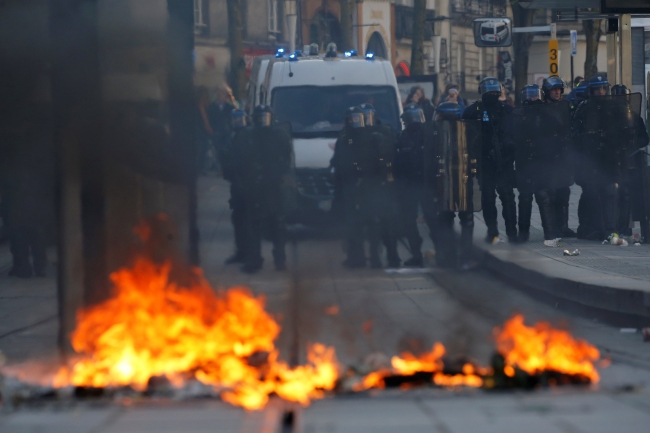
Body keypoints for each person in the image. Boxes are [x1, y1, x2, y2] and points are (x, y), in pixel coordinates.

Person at [331, 106, 400, 268]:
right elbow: (338, 162)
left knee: (374, 223)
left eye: (357, 119)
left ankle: (376, 257)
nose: (354, 122)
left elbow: (385, 160)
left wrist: (383, 180)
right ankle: (356, 258)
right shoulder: (344, 138)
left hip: (371, 185)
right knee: (353, 224)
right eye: (351, 119)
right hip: (351, 186)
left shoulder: (374, 137)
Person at [232, 105, 292, 273]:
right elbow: (240, 159)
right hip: (254, 185)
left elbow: (286, 157)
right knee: (254, 224)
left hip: (273, 185)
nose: (262, 121)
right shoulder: (248, 136)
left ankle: (280, 259)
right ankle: (254, 259)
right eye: (259, 117)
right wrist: (245, 178)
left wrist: (279, 173)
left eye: (265, 117)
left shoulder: (279, 135)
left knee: (277, 224)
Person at [515, 83, 571, 247]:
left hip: (543, 162)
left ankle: (550, 232)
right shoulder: (518, 115)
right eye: (529, 95)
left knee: (544, 195)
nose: (532, 98)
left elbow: (559, 136)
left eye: (535, 94)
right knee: (525, 197)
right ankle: (523, 233)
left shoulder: (548, 115)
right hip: (525, 162)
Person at [462, 77, 518, 244]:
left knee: (507, 196)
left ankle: (511, 231)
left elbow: (516, 133)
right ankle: (492, 231)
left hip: (504, 161)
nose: (492, 95)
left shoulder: (507, 111)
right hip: (484, 161)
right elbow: (465, 135)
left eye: (495, 92)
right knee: (487, 197)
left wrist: (509, 150)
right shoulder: (473, 111)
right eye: (489, 92)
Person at [432, 101, 478, 269]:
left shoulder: (436, 132)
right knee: (466, 220)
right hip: (464, 182)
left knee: (446, 219)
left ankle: (448, 257)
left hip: (445, 183)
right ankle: (465, 257)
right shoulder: (468, 131)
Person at [394, 103, 436, 267]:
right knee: (423, 220)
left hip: (417, 185)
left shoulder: (426, 134)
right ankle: (424, 255)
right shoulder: (404, 137)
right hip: (417, 185)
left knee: (416, 221)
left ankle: (419, 255)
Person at [542, 75, 577, 239]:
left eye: (559, 90)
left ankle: (563, 226)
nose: (557, 93)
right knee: (550, 193)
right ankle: (551, 228)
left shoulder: (567, 107)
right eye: (553, 90)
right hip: (547, 156)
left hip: (564, 155)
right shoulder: (540, 109)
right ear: (547, 92)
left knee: (564, 191)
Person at [223, 109, 249, 265]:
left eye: (240, 119)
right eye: (235, 120)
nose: (237, 123)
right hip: (237, 185)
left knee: (248, 222)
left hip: (248, 185)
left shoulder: (248, 137)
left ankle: (249, 254)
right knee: (238, 219)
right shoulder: (232, 138)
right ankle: (241, 252)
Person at [207, 84, 238, 173]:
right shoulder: (212, 107)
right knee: (218, 151)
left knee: (227, 151)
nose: (221, 95)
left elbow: (235, 117)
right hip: (216, 132)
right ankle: (219, 168)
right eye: (219, 93)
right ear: (216, 94)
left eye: (223, 93)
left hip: (227, 132)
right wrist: (211, 130)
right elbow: (209, 119)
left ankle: (225, 168)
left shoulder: (230, 107)